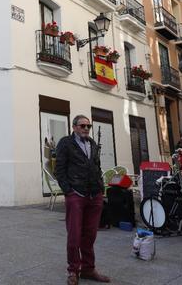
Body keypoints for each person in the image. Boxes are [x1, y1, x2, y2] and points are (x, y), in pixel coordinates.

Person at [55, 115, 110, 285]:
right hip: (76, 195)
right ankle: (73, 270)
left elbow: (97, 165)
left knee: (90, 235)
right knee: (74, 235)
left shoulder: (92, 143)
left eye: (88, 126)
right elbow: (59, 169)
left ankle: (88, 269)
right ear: (74, 127)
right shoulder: (65, 143)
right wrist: (68, 191)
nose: (86, 128)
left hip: (94, 195)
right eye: (82, 125)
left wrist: (101, 188)